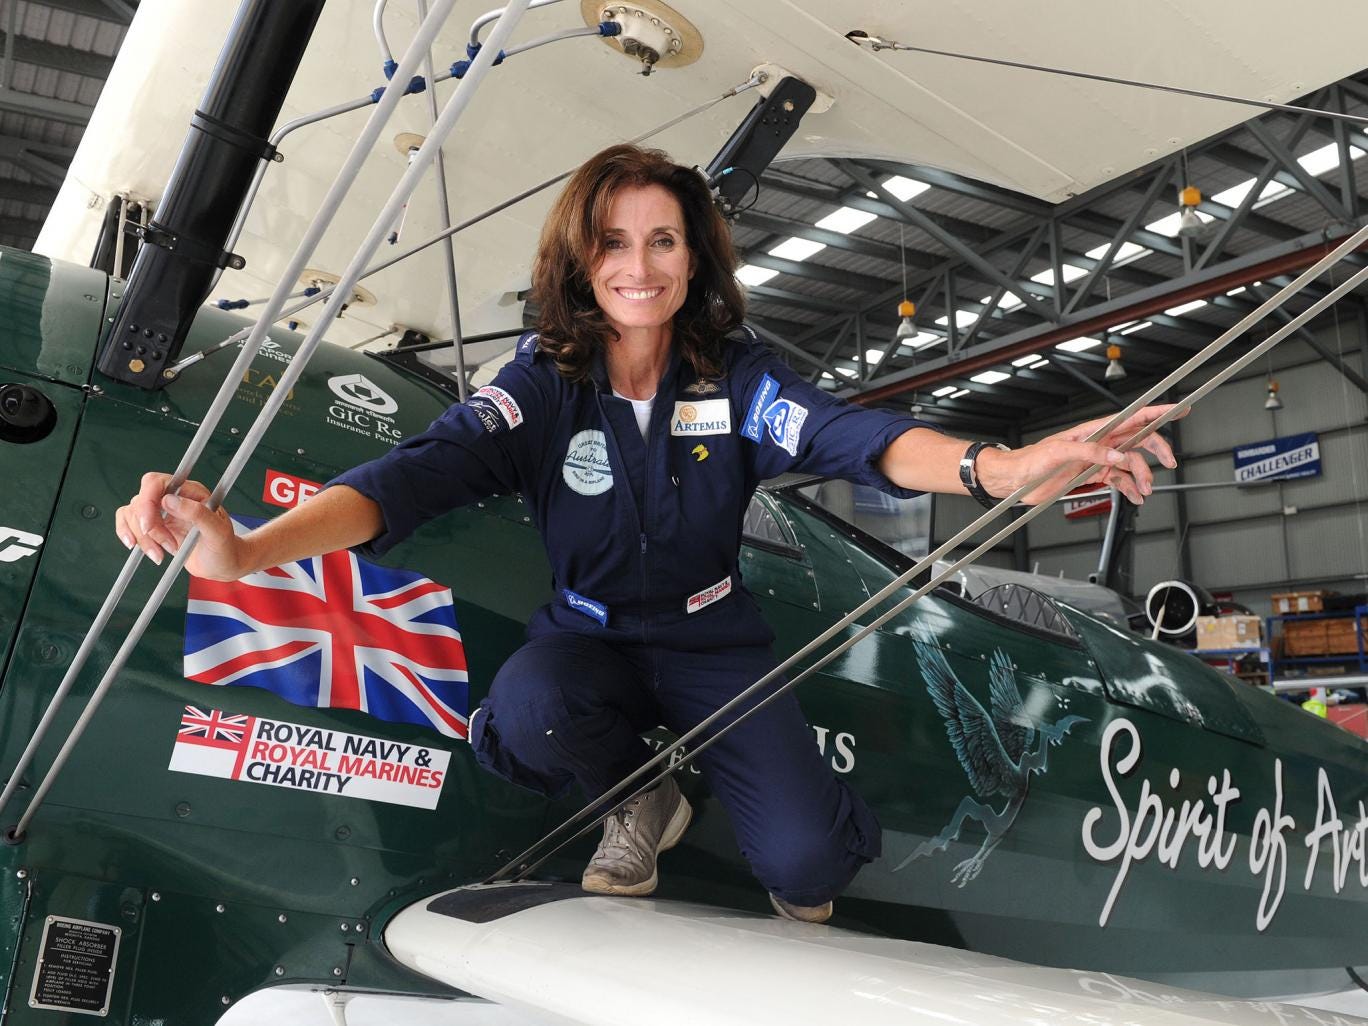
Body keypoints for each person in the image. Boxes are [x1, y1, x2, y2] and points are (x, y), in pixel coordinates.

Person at [117, 144, 1179, 923]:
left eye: (663, 239)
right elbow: (411, 479)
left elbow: (850, 437)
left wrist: (996, 467)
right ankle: (642, 794)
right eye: (613, 241)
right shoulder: (540, 382)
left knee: (806, 870)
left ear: (693, 255)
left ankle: (793, 805)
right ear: (581, 260)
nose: (639, 264)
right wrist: (247, 548)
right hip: (590, 640)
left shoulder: (739, 373)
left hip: (716, 643)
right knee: (530, 708)